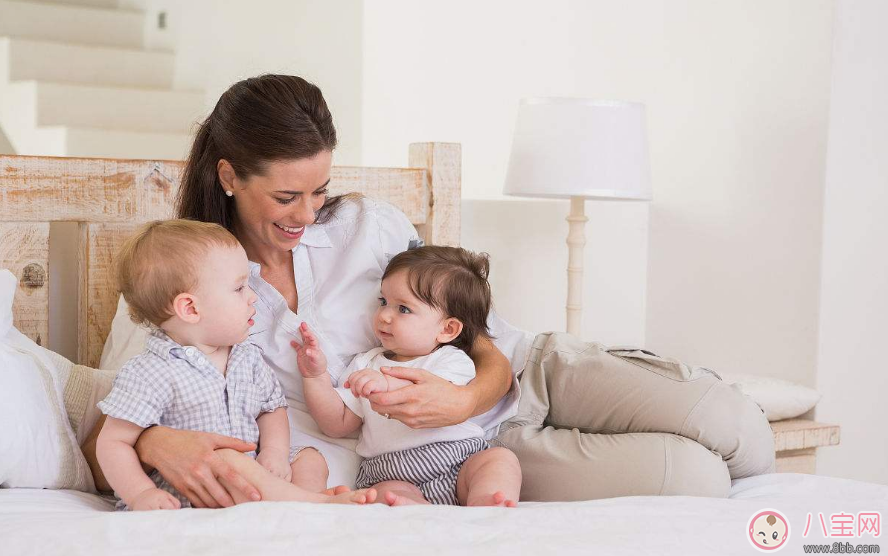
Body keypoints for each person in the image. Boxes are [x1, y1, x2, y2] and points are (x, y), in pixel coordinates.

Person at [82, 74, 774, 507]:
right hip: (463, 458)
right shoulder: (180, 283)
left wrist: (466, 394)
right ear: (230, 176)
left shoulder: (369, 226)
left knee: (739, 431)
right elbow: (111, 414)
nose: (306, 213)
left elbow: (483, 335)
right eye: (286, 195)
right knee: (698, 479)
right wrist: (153, 446)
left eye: (319, 190)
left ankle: (684, 381)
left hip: (526, 375)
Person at [95, 219, 377, 509]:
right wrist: (141, 493)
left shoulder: (246, 355)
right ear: (190, 308)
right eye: (239, 288)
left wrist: (275, 452)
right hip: (199, 485)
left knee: (309, 458)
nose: (252, 296)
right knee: (226, 459)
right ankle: (312, 504)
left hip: (252, 467)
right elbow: (113, 443)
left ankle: (299, 510)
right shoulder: (151, 371)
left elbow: (271, 408)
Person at [295, 246, 521, 507]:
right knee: (382, 495)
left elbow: (430, 393)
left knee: (499, 460)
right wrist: (315, 377)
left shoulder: (451, 360)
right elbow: (337, 423)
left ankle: (486, 505)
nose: (384, 315)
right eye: (383, 302)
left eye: (403, 309)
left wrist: (385, 383)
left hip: (459, 459)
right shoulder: (365, 363)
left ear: (447, 329)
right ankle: (419, 516)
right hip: (391, 470)